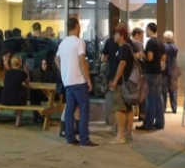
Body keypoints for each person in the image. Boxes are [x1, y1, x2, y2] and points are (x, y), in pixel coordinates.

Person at [56, 17, 98, 147]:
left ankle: (70, 138)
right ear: (76, 26)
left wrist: (64, 71)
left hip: (67, 80)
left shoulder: (63, 43)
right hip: (78, 80)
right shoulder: (79, 42)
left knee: (70, 109)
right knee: (84, 109)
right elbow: (83, 62)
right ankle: (84, 139)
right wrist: (89, 81)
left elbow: (57, 60)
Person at [108, 23, 135, 144]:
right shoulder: (127, 47)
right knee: (128, 108)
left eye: (116, 33)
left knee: (119, 108)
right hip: (127, 83)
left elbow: (122, 64)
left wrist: (115, 80)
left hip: (121, 84)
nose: (114, 35)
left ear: (121, 35)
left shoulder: (124, 48)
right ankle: (128, 134)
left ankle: (120, 135)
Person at [138, 22, 165, 131]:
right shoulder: (160, 41)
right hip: (158, 72)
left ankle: (148, 123)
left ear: (149, 29)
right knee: (158, 97)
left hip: (150, 72)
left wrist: (141, 55)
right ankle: (160, 122)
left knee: (150, 98)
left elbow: (149, 57)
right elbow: (164, 56)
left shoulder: (150, 42)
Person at [1, 55, 30, 126]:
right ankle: (18, 121)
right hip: (17, 100)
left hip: (4, 99)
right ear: (20, 63)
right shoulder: (22, 73)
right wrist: (26, 71)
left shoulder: (7, 72)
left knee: (16, 95)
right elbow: (28, 83)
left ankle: (17, 120)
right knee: (22, 99)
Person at [101, 30, 120, 131]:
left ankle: (113, 122)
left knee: (112, 99)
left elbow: (104, 57)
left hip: (112, 74)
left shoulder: (109, 42)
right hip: (122, 77)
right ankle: (118, 124)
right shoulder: (128, 44)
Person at [30, 55, 59, 122]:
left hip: (52, 94)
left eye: (45, 64)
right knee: (33, 94)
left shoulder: (52, 73)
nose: (43, 65)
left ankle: (42, 116)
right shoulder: (39, 73)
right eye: (42, 64)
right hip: (44, 93)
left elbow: (52, 85)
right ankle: (37, 116)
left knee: (36, 95)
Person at [162, 30, 180, 114]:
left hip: (165, 70)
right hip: (173, 69)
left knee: (164, 90)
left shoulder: (163, 46)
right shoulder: (175, 47)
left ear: (165, 38)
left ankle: (163, 107)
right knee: (173, 89)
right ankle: (174, 107)